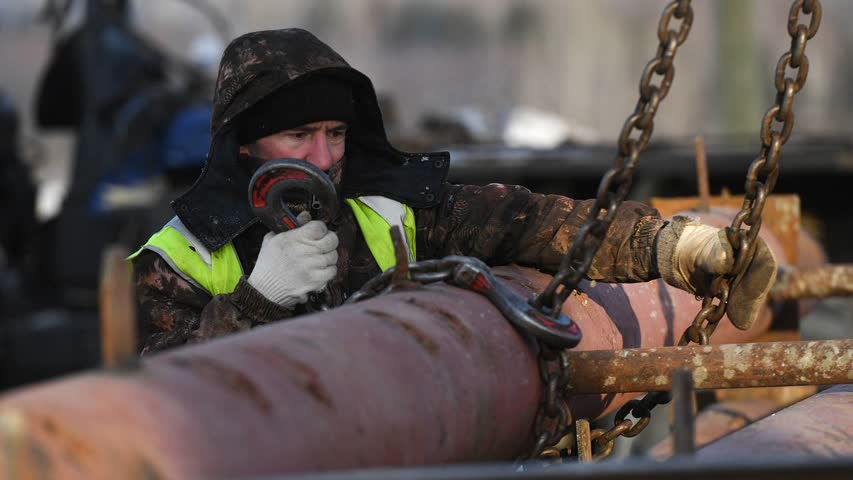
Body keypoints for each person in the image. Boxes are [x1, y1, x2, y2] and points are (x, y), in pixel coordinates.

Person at [130, 28, 776, 354]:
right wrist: (256, 301)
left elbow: (528, 222)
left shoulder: (384, 207)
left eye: (334, 132)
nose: (324, 159)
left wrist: (672, 247)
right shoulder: (181, 256)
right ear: (245, 145)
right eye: (299, 135)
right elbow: (160, 407)